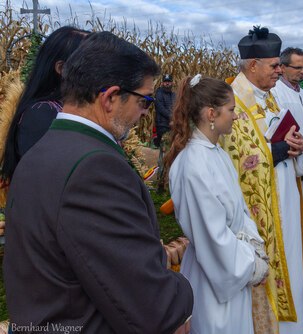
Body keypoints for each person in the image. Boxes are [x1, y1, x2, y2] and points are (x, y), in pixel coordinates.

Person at [3, 31, 193, 333]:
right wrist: (185, 286)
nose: (145, 113)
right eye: (145, 101)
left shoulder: (40, 150)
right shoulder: (95, 167)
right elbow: (150, 304)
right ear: (110, 98)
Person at [220, 26, 303, 334]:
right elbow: (237, 157)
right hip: (258, 208)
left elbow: (274, 137)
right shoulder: (231, 101)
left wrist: (294, 144)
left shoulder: (270, 98)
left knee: (291, 263)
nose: (279, 70)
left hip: (283, 198)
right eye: (274, 65)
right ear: (253, 65)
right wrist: (281, 149)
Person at [166, 75, 269, 333]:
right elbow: (212, 235)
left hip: (232, 261)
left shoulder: (217, 153)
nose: (236, 116)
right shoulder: (193, 164)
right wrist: (249, 264)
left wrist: (254, 245)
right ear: (212, 113)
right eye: (231, 110)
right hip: (214, 275)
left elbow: (240, 210)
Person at [1, 26, 89, 184]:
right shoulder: (41, 113)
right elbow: (48, 181)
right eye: (90, 62)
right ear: (62, 69)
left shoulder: (68, 109)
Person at [271, 47, 303, 298]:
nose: (302, 72)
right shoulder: (276, 93)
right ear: (283, 67)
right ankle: (292, 280)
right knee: (291, 226)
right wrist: (301, 158)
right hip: (290, 168)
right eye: (297, 67)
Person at [153, 74, 175, 147]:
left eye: (169, 81)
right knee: (163, 145)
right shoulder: (159, 93)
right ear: (162, 83)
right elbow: (160, 108)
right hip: (162, 125)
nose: (167, 83)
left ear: (172, 83)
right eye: (165, 81)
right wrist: (172, 117)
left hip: (172, 124)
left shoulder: (174, 95)